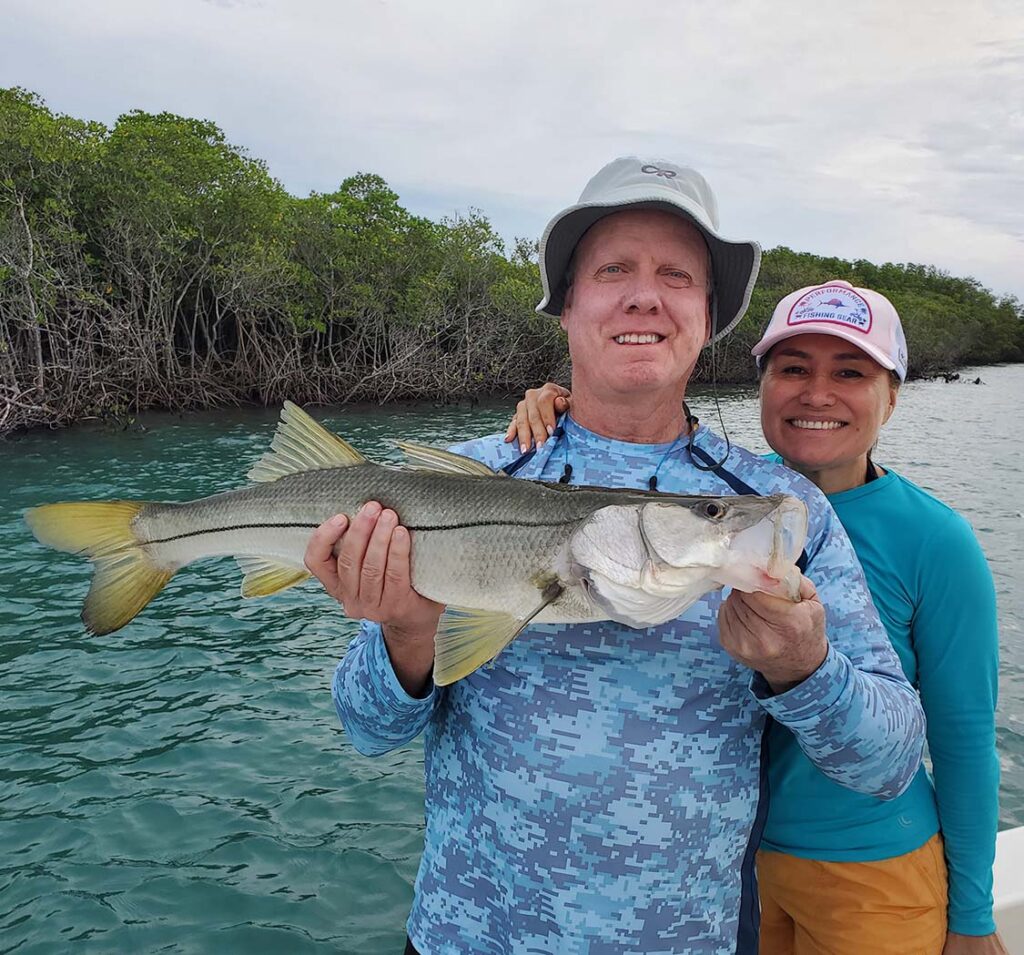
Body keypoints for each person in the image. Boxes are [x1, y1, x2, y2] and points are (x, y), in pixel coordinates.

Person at [309, 158, 926, 955]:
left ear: (708, 316)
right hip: (466, 937)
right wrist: (405, 635)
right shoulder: (460, 479)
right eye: (613, 270)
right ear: (566, 305)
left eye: (677, 274)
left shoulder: (771, 510)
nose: (645, 294)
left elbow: (890, 760)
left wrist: (806, 667)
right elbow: (365, 727)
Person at [510, 280, 1005, 954]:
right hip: (736, 868)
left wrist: (973, 916)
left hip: (873, 864)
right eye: (793, 369)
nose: (817, 393)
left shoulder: (938, 540)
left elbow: (965, 738)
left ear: (893, 395)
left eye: (851, 373)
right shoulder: (728, 504)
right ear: (761, 385)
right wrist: (562, 410)